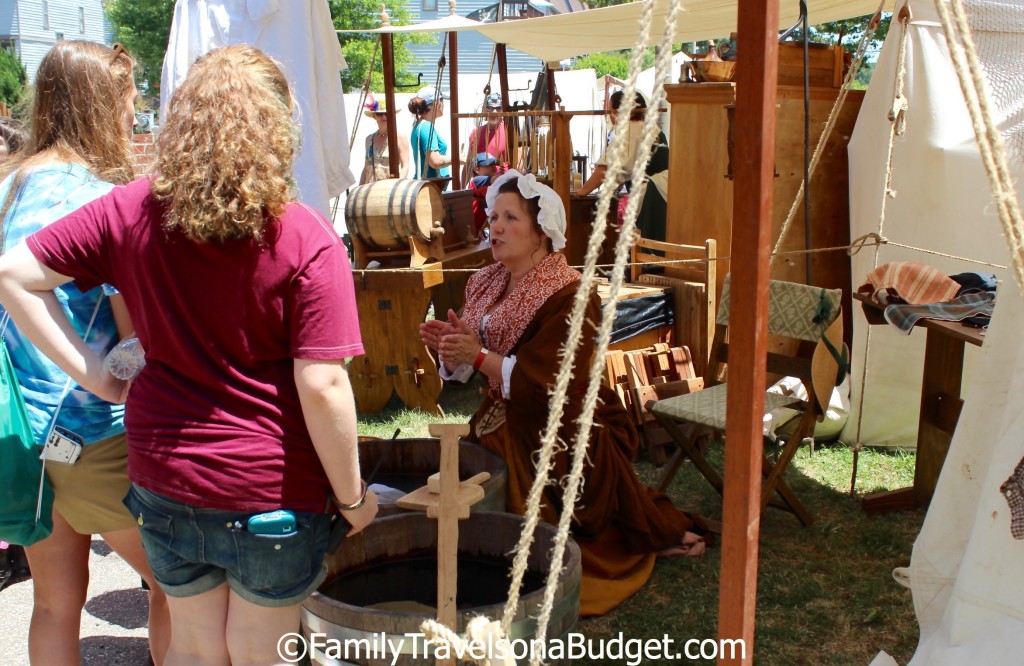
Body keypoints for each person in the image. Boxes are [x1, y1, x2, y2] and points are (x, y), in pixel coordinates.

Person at [0, 45, 378, 664]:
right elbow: (324, 385)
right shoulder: (307, 236)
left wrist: (96, 376)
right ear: (279, 126)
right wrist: (354, 499)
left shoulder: (126, 212)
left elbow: (14, 274)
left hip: (164, 480)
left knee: (197, 649)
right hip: (271, 491)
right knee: (261, 652)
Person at [419, 170, 709, 617]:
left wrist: (477, 356)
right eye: (494, 216)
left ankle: (641, 542)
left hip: (563, 428)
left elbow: (549, 385)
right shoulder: (488, 281)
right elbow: (473, 365)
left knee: (560, 527)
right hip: (504, 416)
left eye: (510, 218)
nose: (494, 226)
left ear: (542, 233)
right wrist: (453, 350)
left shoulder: (571, 296)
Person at [0, 40, 170, 665]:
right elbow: (136, 335)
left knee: (53, 603)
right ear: (105, 106)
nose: (134, 116)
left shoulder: (8, 186)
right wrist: (105, 375)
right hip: (93, 432)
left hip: (22, 434)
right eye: (129, 101)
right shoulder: (105, 201)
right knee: (173, 587)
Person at [576, 90, 670, 241]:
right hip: (663, 192)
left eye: (611, 110)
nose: (610, 116)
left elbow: (606, 170)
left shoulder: (631, 130)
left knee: (653, 248)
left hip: (655, 194)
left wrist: (582, 191)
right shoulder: (648, 128)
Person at [359, 93, 411, 183]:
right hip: (369, 189)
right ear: (374, 116)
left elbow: (405, 166)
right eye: (380, 114)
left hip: (389, 190)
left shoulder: (399, 137)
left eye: (387, 114)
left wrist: (396, 186)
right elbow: (366, 167)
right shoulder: (369, 139)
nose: (384, 117)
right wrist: (359, 190)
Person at [461, 92, 507, 183]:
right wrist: (462, 189)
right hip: (480, 187)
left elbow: (518, 165)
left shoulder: (509, 132)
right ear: (485, 110)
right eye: (490, 108)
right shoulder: (476, 133)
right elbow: (469, 164)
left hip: (502, 186)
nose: (494, 112)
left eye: (498, 108)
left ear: (502, 111)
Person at [409, 85, 453, 180]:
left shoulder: (420, 125)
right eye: (442, 100)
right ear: (437, 103)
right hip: (430, 190)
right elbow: (435, 161)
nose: (443, 104)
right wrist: (457, 159)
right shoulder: (426, 127)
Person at [468, 152, 499, 235]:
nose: (493, 167)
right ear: (477, 169)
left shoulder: (492, 184)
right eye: (488, 164)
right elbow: (498, 179)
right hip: (470, 230)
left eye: (494, 164)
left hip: (479, 229)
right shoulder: (476, 180)